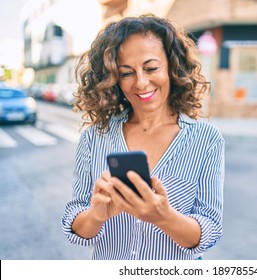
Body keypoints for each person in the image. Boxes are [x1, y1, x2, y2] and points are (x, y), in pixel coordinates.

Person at [61, 14, 225, 260]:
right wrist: (97, 214)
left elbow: (210, 230)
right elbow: (75, 225)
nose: (141, 82)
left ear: (172, 66)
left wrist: (164, 217)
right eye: (126, 73)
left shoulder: (206, 139)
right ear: (114, 78)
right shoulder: (94, 138)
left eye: (151, 68)